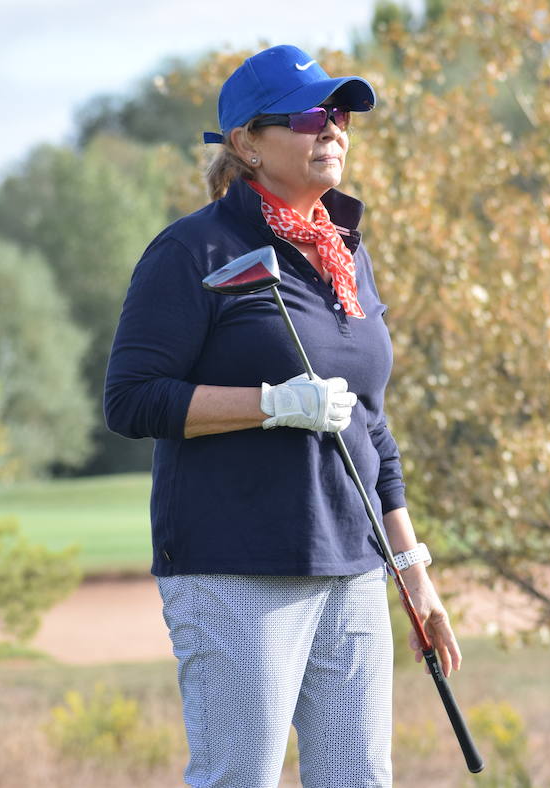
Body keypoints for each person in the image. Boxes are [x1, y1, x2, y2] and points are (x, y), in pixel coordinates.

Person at [104, 44, 461, 787]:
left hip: (354, 571)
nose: (331, 128)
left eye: (338, 114)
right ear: (246, 144)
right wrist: (273, 406)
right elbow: (133, 400)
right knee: (243, 779)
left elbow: (373, 428)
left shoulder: (345, 254)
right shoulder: (192, 250)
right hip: (236, 569)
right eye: (306, 117)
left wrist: (413, 572)